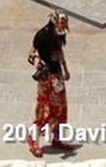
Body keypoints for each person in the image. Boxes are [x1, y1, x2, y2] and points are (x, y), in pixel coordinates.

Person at [26, 11, 74, 157]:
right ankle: (33, 140)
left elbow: (59, 51)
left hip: (57, 75)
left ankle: (57, 139)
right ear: (55, 21)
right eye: (62, 22)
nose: (64, 26)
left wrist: (65, 69)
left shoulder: (59, 33)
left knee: (60, 108)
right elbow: (31, 52)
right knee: (44, 109)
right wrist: (36, 62)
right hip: (46, 77)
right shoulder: (42, 35)